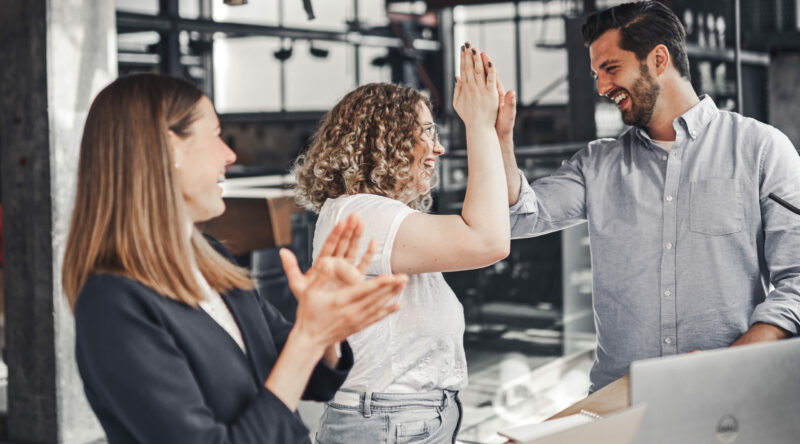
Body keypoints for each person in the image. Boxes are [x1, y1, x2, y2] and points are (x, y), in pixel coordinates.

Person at [62, 73, 408, 444]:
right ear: (170, 148)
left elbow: (307, 377)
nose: (229, 155)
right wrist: (308, 337)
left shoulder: (211, 257)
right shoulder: (113, 305)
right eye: (216, 136)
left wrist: (326, 330)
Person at [493, 0, 800, 392]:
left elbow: (797, 280)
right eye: (596, 74)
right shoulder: (597, 164)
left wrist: (733, 362)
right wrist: (499, 138)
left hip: (729, 396)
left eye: (611, 68)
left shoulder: (761, 150)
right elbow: (518, 216)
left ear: (658, 59)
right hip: (621, 398)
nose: (602, 87)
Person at [292, 43, 510, 443]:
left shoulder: (368, 213)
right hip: (387, 423)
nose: (438, 148)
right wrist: (477, 126)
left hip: (401, 419)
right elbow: (488, 240)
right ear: (385, 138)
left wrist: (497, 136)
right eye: (427, 132)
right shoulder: (362, 213)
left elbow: (495, 222)